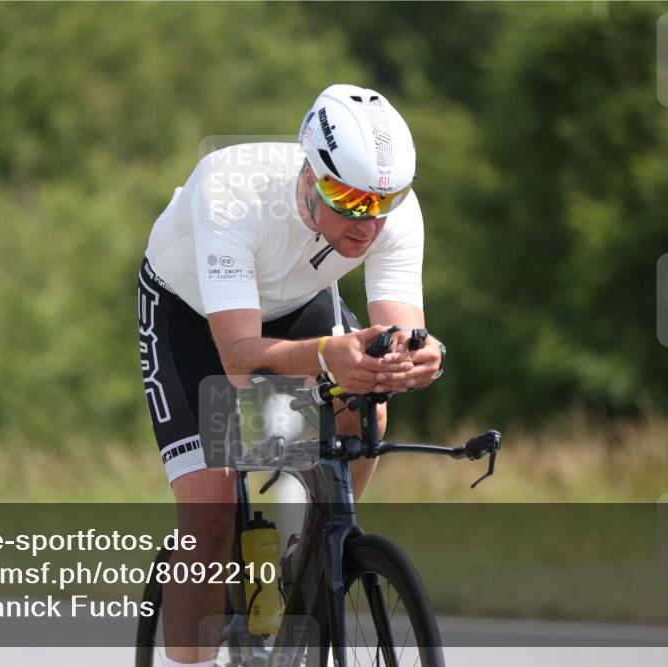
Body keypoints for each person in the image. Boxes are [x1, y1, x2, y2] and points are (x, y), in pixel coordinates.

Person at [137, 83, 445, 667]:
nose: (368, 225)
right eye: (350, 202)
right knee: (210, 511)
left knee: (369, 409)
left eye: (383, 203)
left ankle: (312, 561)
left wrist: (419, 355)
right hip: (196, 316)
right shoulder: (232, 190)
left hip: (299, 305)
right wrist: (330, 355)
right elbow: (239, 358)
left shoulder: (388, 211)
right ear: (310, 176)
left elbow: (400, 331)